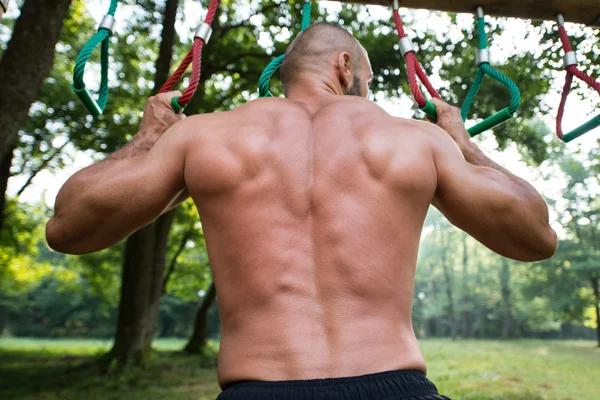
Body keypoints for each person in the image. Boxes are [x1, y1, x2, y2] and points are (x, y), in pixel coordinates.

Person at [46, 23, 557, 400]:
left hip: (257, 390)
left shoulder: (205, 136)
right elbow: (537, 236)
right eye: (369, 81)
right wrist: (461, 141)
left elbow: (67, 225)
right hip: (394, 388)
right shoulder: (411, 139)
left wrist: (147, 139)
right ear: (345, 67)